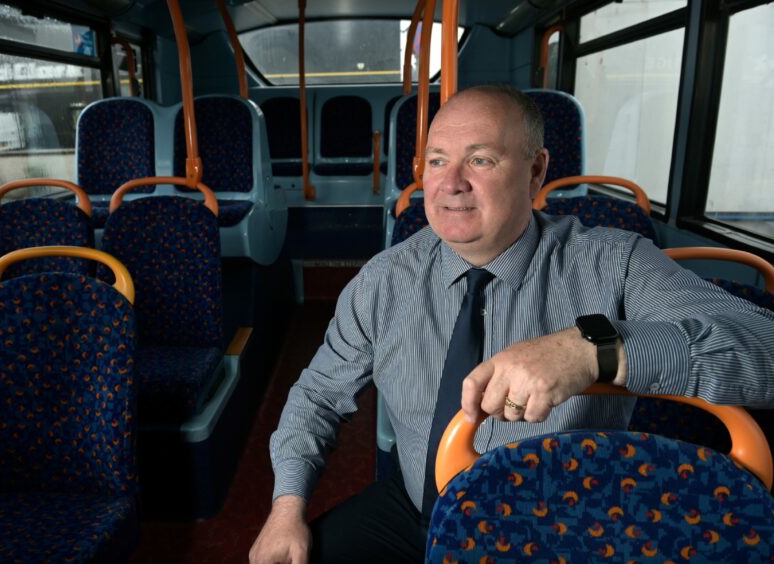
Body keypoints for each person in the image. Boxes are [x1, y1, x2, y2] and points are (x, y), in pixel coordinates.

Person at [249, 85, 774, 563]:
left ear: (536, 171)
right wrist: (285, 508)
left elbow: (765, 348)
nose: (451, 183)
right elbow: (316, 397)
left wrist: (594, 349)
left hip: (557, 525)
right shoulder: (383, 281)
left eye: (480, 159)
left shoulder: (615, 265)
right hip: (416, 512)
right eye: (437, 161)